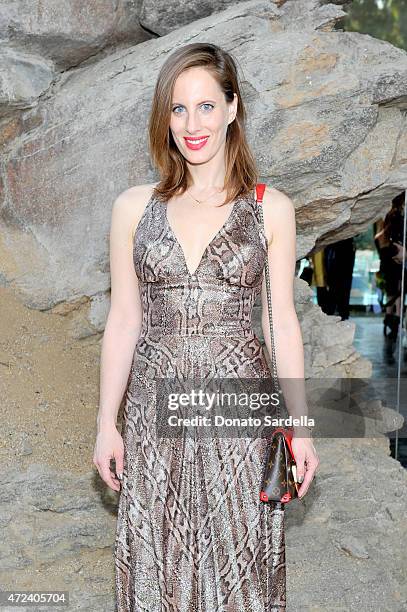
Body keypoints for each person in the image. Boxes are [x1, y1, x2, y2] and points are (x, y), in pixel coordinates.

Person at [93, 42, 319, 611]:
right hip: (154, 418)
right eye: (177, 109)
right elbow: (124, 321)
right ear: (163, 118)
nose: (192, 124)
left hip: (241, 421)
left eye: (206, 106)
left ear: (233, 108)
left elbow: (282, 327)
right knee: (157, 567)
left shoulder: (271, 208)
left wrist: (301, 429)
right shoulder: (132, 208)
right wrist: (106, 423)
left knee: (240, 571)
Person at [374, 192, 405, 339]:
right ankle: (395, 321)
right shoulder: (396, 216)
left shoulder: (384, 216)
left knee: (391, 290)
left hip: (386, 256)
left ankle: (389, 320)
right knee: (397, 291)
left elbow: (378, 239)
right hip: (394, 255)